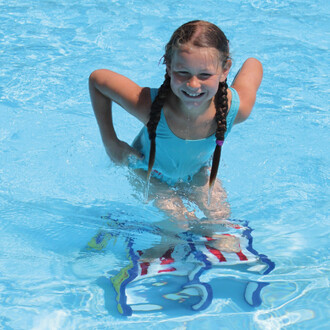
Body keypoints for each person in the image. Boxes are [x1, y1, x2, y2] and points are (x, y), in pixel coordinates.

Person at [89, 20, 263, 222]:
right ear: (169, 67)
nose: (193, 84)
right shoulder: (148, 106)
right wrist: (110, 142)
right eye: (183, 72)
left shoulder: (233, 110)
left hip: (196, 172)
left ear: (225, 70)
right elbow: (97, 79)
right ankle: (162, 244)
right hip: (148, 172)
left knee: (220, 218)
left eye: (205, 74)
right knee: (178, 222)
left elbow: (254, 64)